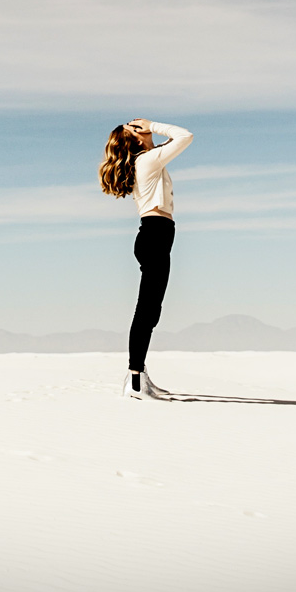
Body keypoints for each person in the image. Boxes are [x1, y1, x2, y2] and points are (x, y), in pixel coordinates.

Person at [98, 118, 194, 399]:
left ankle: (139, 375)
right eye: (137, 128)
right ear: (137, 139)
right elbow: (185, 135)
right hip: (155, 236)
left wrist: (150, 132)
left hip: (156, 236)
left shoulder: (149, 159)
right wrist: (154, 124)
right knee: (147, 312)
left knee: (150, 311)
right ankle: (135, 381)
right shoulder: (148, 161)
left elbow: (173, 142)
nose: (144, 128)